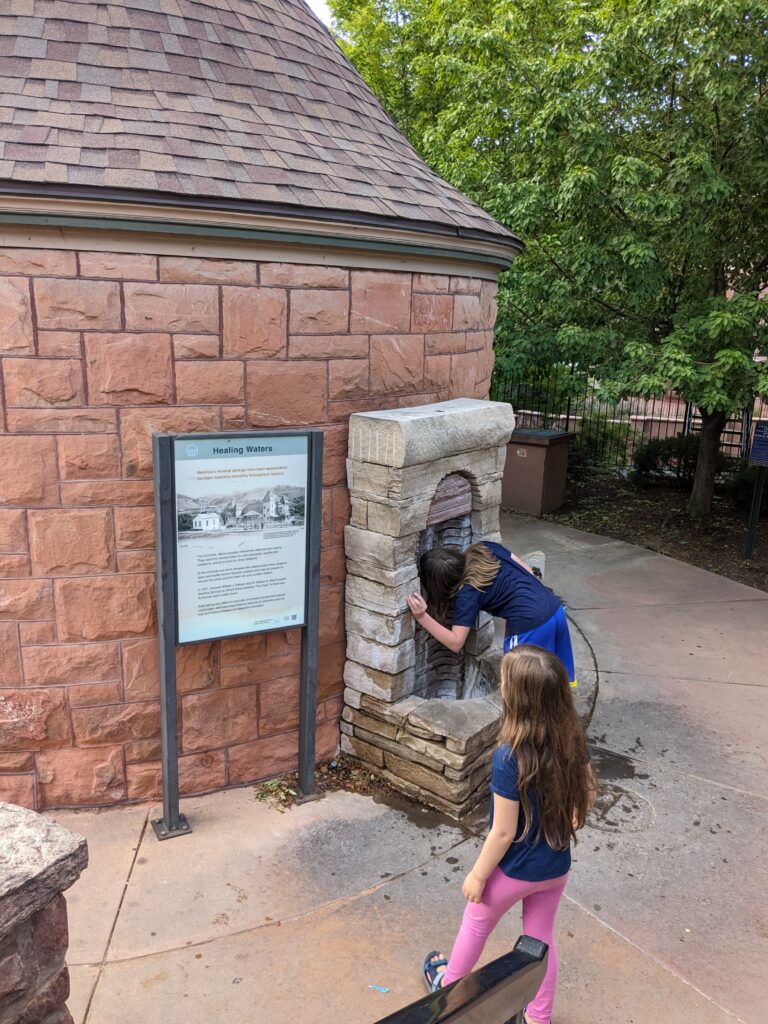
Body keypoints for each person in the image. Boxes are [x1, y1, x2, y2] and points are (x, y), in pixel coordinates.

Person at [421, 646, 595, 1024]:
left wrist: (478, 875)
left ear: (517, 698)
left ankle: (447, 1000)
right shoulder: (572, 739)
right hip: (555, 868)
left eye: (503, 682)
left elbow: (502, 832)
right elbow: (589, 790)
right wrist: (575, 814)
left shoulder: (508, 756)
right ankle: (539, 1017)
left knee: (475, 925)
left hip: (512, 873)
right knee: (539, 941)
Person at [406, 541, 577, 684]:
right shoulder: (485, 548)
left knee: (524, 690)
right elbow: (528, 571)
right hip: (555, 611)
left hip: (532, 625)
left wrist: (422, 616)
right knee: (558, 679)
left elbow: (456, 643)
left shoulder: (468, 593)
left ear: (439, 586)